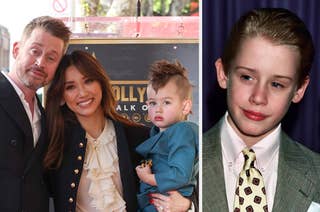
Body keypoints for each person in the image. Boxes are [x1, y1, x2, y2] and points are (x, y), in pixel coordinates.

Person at [44, 50, 194, 212]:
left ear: (101, 83)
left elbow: (184, 179)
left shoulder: (139, 138)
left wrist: (188, 205)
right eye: (70, 87)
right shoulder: (53, 143)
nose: (82, 93)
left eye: (88, 81)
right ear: (61, 96)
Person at [203, 8, 320, 212]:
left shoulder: (316, 173)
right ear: (223, 73)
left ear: (299, 89)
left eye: (277, 84)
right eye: (247, 77)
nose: (258, 97)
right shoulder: (183, 162)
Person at [0, 16, 70, 212]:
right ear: (16, 50)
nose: (40, 62)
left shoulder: (46, 116)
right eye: (35, 51)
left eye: (51, 57)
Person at [135, 60, 199, 211]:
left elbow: (180, 175)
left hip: (168, 204)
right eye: (152, 103)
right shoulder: (155, 132)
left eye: (167, 102)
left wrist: (148, 178)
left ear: (185, 106)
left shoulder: (183, 131)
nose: (158, 109)